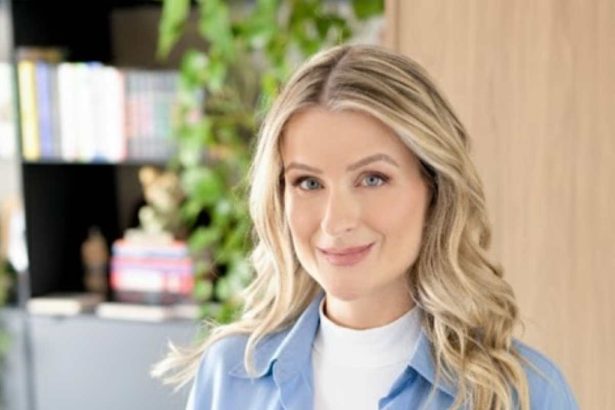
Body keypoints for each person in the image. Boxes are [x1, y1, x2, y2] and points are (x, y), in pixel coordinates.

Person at [152, 44, 579, 410]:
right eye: (308, 183)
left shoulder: (523, 394)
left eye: (372, 179)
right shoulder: (229, 374)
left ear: (435, 190)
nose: (336, 222)